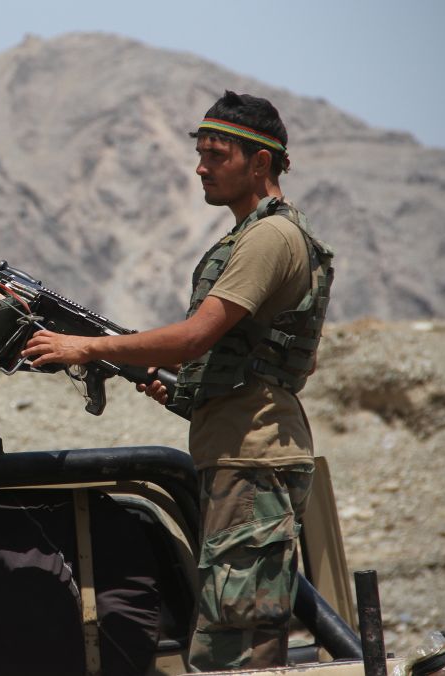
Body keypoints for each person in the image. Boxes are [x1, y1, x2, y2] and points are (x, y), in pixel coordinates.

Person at [22, 90, 334, 671]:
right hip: (241, 447)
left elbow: (196, 337)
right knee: (236, 629)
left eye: (216, 155)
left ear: (259, 163)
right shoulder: (260, 235)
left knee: (237, 646)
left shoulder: (269, 238)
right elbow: (264, 357)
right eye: (201, 153)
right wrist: (192, 391)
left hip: (252, 455)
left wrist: (85, 345)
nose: (200, 167)